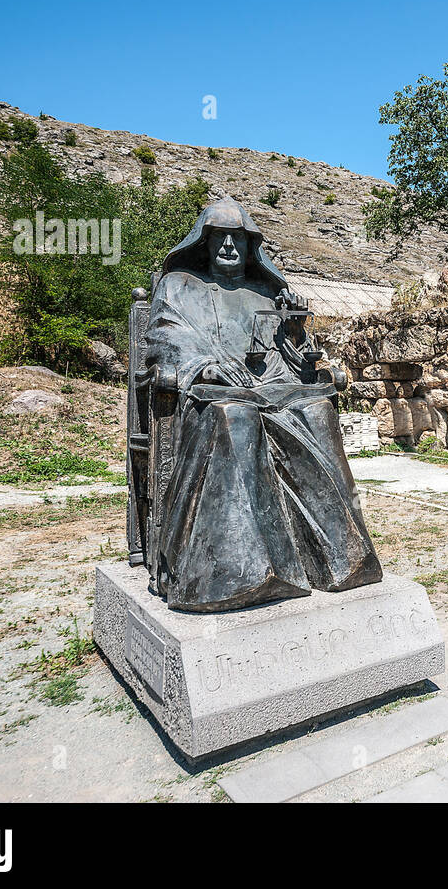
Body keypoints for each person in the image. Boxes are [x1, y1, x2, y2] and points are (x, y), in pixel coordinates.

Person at [141, 197, 381, 611]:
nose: (230, 247)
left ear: (251, 245)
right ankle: (233, 575)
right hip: (209, 394)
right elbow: (165, 338)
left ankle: (341, 560)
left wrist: (296, 331)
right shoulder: (178, 285)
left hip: (272, 385)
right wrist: (204, 367)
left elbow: (292, 355)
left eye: (238, 238)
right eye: (220, 238)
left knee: (317, 409)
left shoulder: (266, 290)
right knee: (237, 416)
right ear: (204, 241)